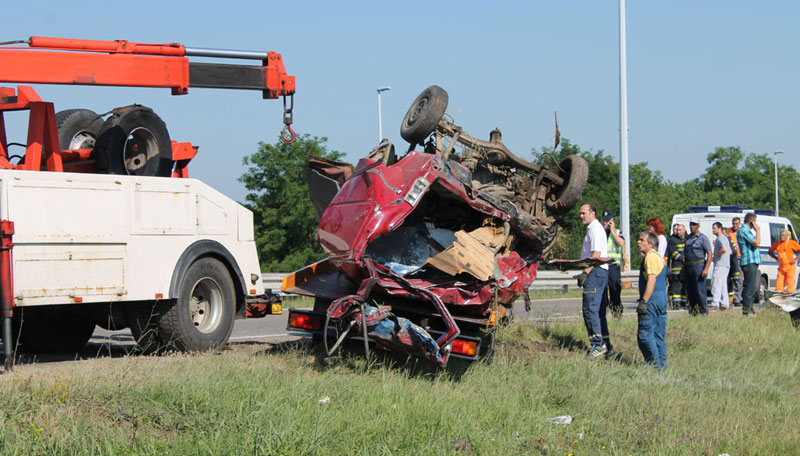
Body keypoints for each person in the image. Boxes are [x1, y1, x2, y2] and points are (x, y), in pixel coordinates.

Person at [577, 203, 611, 356]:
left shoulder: (595, 229)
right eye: (580, 213)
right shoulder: (593, 229)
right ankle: (606, 343)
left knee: (590, 309)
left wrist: (585, 272)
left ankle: (597, 345)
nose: (581, 216)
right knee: (598, 310)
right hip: (599, 272)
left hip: (595, 272)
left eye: (584, 213)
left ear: (593, 213)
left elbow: (596, 254)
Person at [636, 232, 667, 370]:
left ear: (651, 244)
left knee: (645, 335)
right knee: (658, 335)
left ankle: (654, 367)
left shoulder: (651, 257)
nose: (638, 242)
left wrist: (644, 301)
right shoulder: (658, 257)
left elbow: (652, 279)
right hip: (661, 297)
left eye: (642, 240)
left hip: (653, 298)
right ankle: (662, 366)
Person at [684, 220, 712, 315]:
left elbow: (709, 253)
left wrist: (706, 268)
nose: (692, 226)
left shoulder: (703, 238)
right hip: (688, 267)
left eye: (694, 225)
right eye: (691, 225)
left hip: (699, 266)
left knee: (700, 290)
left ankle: (704, 311)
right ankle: (693, 312)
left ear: (698, 226)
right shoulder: (687, 238)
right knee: (690, 290)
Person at [601, 210, 625, 319]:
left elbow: (621, 243)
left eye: (608, 221)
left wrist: (612, 231)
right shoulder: (598, 232)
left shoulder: (617, 232)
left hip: (613, 266)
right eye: (604, 221)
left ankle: (617, 314)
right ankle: (603, 314)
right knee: (602, 292)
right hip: (601, 265)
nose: (605, 223)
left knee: (615, 291)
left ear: (612, 221)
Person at [737, 213, 761, 317]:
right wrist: (758, 231)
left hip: (751, 261)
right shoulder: (744, 230)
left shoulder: (745, 230)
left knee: (750, 286)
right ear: (751, 222)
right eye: (755, 222)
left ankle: (748, 308)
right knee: (750, 287)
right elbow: (756, 243)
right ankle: (748, 309)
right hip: (749, 261)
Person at [768, 229, 800, 294]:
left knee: (790, 284)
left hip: (790, 267)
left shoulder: (792, 243)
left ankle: (789, 296)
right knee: (779, 285)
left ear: (787, 236)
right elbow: (769, 252)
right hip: (781, 268)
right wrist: (775, 258)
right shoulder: (777, 244)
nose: (781, 237)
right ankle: (778, 296)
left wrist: (795, 259)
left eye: (783, 235)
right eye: (780, 235)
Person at [710, 222, 730, 311]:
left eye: (714, 228)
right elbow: (729, 251)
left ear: (719, 228)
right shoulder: (725, 238)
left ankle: (715, 303)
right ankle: (725, 303)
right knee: (723, 285)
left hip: (720, 264)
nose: (713, 230)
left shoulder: (720, 238)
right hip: (725, 264)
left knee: (716, 284)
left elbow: (724, 249)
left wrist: (716, 256)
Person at [667, 224, 687, 309]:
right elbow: (673, 253)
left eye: (679, 230)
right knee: (676, 288)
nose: (677, 232)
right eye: (676, 230)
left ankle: (684, 304)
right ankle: (676, 305)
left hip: (685, 268)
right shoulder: (672, 240)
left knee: (685, 287)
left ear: (684, 231)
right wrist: (682, 258)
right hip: (676, 269)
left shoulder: (687, 239)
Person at [728, 218, 743, 307]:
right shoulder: (729, 231)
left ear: (739, 223)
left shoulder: (742, 232)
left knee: (738, 279)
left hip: (739, 257)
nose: (735, 225)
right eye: (734, 223)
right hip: (730, 258)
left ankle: (737, 299)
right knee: (730, 279)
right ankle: (730, 299)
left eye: (737, 224)